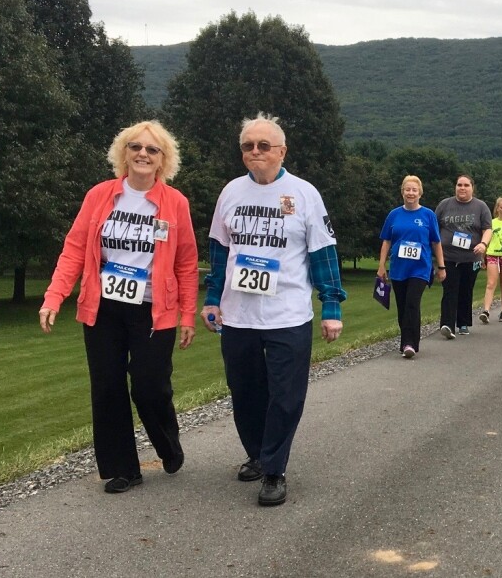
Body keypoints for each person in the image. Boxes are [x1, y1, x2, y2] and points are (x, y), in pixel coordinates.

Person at [39, 121, 198, 493]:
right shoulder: (100, 195)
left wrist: (187, 313)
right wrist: (53, 296)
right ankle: (122, 468)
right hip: (103, 307)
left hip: (152, 310)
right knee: (107, 386)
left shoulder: (175, 203)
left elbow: (187, 263)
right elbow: (75, 248)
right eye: (135, 147)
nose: (142, 154)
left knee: (149, 385)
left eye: (152, 149)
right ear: (123, 153)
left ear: (163, 160)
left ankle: (168, 445)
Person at [201, 113, 346, 507]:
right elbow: (219, 253)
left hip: (288, 315)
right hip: (239, 315)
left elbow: (323, 254)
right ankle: (257, 453)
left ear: (282, 151)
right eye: (248, 145)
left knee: (285, 395)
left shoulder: (304, 195)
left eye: (264, 145)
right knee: (245, 391)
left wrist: (331, 305)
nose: (255, 152)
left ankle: (275, 470)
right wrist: (212, 299)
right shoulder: (230, 192)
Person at [377, 175, 446, 358]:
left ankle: (409, 343)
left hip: (420, 268)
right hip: (399, 268)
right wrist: (381, 265)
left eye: (414, 190)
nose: (411, 193)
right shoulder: (394, 215)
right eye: (407, 189)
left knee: (412, 304)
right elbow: (386, 241)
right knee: (402, 306)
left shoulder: (428, 215)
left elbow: (436, 242)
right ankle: (408, 340)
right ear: (402, 192)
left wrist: (441, 266)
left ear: (420, 193)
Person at [436, 175, 492, 338]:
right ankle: (447, 324)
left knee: (466, 290)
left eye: (466, 185)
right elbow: (434, 226)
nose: (462, 188)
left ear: (472, 188)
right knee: (450, 289)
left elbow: (488, 228)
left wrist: (483, 244)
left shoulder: (480, 207)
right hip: (448, 256)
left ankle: (463, 323)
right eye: (459, 185)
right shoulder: (444, 205)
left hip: (470, 257)